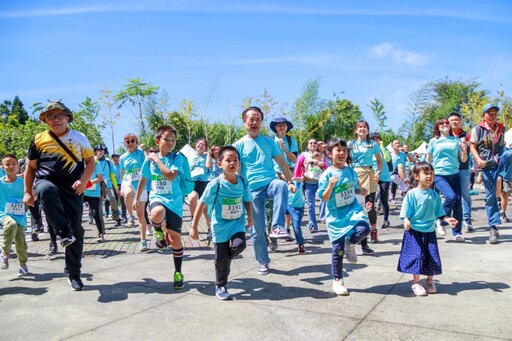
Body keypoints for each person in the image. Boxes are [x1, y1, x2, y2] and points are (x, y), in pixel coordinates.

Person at [24, 101, 95, 291]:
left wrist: (83, 181)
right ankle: (63, 232)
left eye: (59, 115)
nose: (55, 120)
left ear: (67, 117)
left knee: (77, 232)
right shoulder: (38, 139)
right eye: (50, 116)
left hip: (73, 189)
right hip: (45, 181)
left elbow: (90, 162)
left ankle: (74, 273)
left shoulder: (79, 137)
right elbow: (31, 167)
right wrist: (27, 191)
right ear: (45, 120)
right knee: (46, 190)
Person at [233, 106, 296, 275]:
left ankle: (277, 226)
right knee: (257, 230)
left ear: (261, 122)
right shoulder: (238, 145)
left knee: (281, 185)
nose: (254, 122)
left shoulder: (270, 142)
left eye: (258, 119)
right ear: (244, 121)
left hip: (270, 183)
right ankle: (263, 261)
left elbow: (282, 163)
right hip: (251, 191)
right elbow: (235, 170)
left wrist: (290, 181)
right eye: (251, 119)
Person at [190, 146, 253, 300]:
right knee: (221, 259)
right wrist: (194, 227)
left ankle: (227, 259)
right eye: (228, 160)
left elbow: (247, 200)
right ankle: (220, 285)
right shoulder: (215, 184)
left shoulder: (243, 182)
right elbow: (201, 203)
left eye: (235, 160)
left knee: (240, 245)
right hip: (220, 226)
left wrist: (250, 217)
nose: (232, 163)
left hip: (237, 223)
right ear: (220, 164)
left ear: (239, 163)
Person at [134, 125, 186, 289]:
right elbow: (144, 178)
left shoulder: (178, 158)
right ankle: (157, 229)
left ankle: (178, 272)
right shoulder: (148, 160)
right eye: (166, 139)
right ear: (157, 141)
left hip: (175, 202)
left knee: (175, 238)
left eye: (173, 140)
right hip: (157, 197)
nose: (171, 143)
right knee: (156, 212)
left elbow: (171, 176)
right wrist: (137, 198)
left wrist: (157, 160)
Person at [318, 138, 370, 296]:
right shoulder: (327, 174)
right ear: (329, 154)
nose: (341, 153)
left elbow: (355, 189)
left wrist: (362, 191)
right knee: (337, 250)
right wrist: (330, 186)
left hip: (352, 210)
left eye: (344, 150)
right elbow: (324, 198)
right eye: (337, 150)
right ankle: (337, 280)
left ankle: (351, 242)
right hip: (336, 217)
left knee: (364, 228)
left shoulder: (350, 171)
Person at [398, 162, 457, 296]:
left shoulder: (434, 195)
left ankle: (430, 281)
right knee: (417, 256)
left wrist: (448, 219)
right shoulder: (411, 194)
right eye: (425, 173)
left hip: (429, 231)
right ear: (416, 176)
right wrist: (406, 220)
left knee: (431, 256)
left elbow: (440, 213)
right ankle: (416, 282)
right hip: (414, 231)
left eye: (431, 173)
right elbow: (405, 212)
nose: (429, 176)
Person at [470, 104, 506, 244]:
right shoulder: (477, 129)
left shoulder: (502, 128)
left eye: (495, 113)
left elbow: (503, 146)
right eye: (489, 113)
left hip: (501, 162)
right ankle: (493, 227)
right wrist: (478, 160)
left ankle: (505, 177)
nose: (492, 116)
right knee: (491, 197)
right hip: (488, 166)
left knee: (509, 154)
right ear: (483, 115)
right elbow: (472, 146)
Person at [426, 118, 467, 241]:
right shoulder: (434, 141)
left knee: (458, 204)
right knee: (451, 197)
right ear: (437, 127)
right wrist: (427, 174)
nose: (444, 125)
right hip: (439, 174)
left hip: (455, 174)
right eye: (441, 124)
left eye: (446, 123)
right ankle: (441, 220)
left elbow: (463, 159)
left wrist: (464, 150)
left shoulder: (456, 140)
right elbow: (428, 159)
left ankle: (457, 232)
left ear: (450, 126)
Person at [348, 120, 383, 250]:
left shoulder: (372, 144)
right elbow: (346, 160)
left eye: (365, 127)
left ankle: (370, 235)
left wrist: (378, 172)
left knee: (369, 206)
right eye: (360, 127)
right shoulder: (350, 144)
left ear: (368, 130)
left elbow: (380, 162)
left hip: (369, 175)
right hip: (353, 175)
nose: (362, 129)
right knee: (356, 207)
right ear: (356, 130)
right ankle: (354, 237)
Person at [1, 154, 29, 276]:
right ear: (2, 167)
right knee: (10, 224)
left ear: (18, 166)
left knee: (20, 242)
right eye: (7, 164)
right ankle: (5, 253)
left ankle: (23, 264)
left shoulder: (23, 183)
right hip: (4, 214)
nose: (10, 166)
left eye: (13, 164)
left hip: (20, 216)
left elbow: (30, 195)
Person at [119, 133, 148, 251]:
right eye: (128, 141)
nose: (130, 143)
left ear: (136, 142)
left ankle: (143, 240)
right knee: (127, 193)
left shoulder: (141, 153)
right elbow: (122, 172)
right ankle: (130, 215)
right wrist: (121, 186)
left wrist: (143, 149)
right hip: (128, 180)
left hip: (141, 184)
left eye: (132, 141)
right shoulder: (122, 157)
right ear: (125, 144)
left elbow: (147, 164)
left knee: (141, 215)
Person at [294, 138, 327, 233]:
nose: (313, 144)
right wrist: (297, 180)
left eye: (315, 143)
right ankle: (312, 225)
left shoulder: (321, 155)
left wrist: (322, 164)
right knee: (311, 205)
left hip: (320, 182)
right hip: (308, 183)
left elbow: (326, 167)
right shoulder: (303, 155)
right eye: (311, 143)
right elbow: (297, 168)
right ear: (307, 145)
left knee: (325, 199)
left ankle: (323, 217)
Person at [448, 112, 474, 232]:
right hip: (449, 169)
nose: (454, 122)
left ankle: (467, 219)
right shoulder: (445, 135)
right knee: (452, 196)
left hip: (463, 168)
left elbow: (473, 147)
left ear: (460, 121)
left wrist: (466, 143)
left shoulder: (466, 135)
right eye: (452, 120)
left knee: (466, 194)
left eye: (456, 120)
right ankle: (453, 219)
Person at [94, 144, 121, 226]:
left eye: (102, 150)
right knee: (97, 203)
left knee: (113, 200)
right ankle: (98, 221)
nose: (100, 151)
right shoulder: (93, 160)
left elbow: (112, 175)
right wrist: (96, 158)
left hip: (107, 185)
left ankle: (116, 218)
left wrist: (116, 187)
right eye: (98, 150)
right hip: (96, 185)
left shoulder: (108, 162)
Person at [188, 138, 212, 227]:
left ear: (205, 147)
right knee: (192, 198)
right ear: (196, 144)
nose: (200, 146)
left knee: (206, 210)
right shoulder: (189, 155)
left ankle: (210, 229)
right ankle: (193, 218)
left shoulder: (206, 157)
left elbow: (208, 165)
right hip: (191, 182)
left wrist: (209, 154)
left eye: (203, 145)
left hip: (202, 183)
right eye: (199, 143)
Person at [370, 132, 392, 228]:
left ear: (379, 140)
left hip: (384, 177)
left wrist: (382, 147)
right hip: (373, 176)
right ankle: (372, 222)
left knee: (384, 199)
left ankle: (386, 219)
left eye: (377, 139)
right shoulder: (368, 151)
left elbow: (387, 159)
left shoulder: (384, 150)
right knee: (371, 199)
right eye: (373, 139)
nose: (375, 140)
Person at [83, 158, 105, 242]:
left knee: (96, 213)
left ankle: (101, 233)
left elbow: (100, 178)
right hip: (82, 192)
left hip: (94, 193)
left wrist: (87, 183)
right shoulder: (80, 164)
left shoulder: (96, 164)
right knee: (75, 212)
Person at [287, 177, 306, 255]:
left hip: (297, 208)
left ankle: (300, 244)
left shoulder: (296, 182)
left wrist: (298, 180)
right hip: (287, 204)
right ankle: (286, 230)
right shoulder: (283, 183)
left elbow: (299, 181)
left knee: (296, 227)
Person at [496, 144, 512, 222]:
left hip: (506, 177)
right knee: (505, 196)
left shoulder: (505, 153)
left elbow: (500, 166)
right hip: (507, 177)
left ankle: (502, 213)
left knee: (505, 196)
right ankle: (502, 213)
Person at [111, 153, 127, 224]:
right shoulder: (111, 166)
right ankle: (117, 217)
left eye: (116, 157)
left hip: (121, 184)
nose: (115, 159)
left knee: (122, 200)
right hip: (113, 185)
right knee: (114, 201)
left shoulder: (121, 165)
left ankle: (124, 216)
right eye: (113, 158)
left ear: (118, 158)